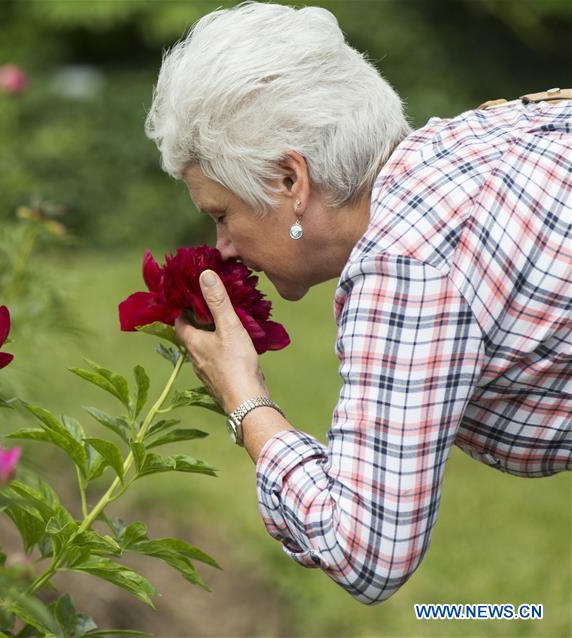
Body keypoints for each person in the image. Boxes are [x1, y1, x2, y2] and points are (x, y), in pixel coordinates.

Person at [144, 2, 571, 604]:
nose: (225, 247)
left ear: (292, 180)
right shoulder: (467, 140)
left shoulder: (406, 264)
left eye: (222, 213)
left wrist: (242, 397)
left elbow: (363, 549)